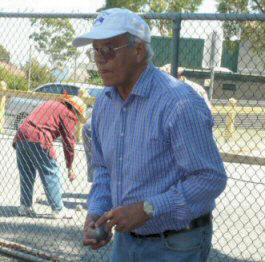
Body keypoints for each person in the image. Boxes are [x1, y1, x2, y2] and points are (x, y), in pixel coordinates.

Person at [73, 7, 227, 261]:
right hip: (126, 242)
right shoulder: (104, 105)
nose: (100, 59)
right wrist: (97, 212)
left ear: (139, 50)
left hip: (176, 244)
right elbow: (103, 169)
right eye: (96, 51)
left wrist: (149, 208)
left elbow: (210, 178)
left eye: (109, 49)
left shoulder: (178, 102)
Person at [13, 92, 87, 219]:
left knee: (26, 173)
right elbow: (68, 141)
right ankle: (58, 209)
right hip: (39, 138)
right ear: (75, 110)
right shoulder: (69, 113)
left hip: (21, 135)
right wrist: (70, 166)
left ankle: (25, 206)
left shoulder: (51, 103)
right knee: (51, 172)